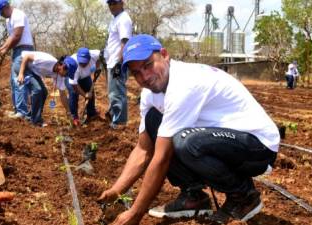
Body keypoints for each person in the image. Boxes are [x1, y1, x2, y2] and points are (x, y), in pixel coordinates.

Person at [98, 34, 280, 225]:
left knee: (185, 142)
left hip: (257, 145)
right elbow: (144, 149)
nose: (145, 77)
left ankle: (244, 196)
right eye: (136, 73)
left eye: (148, 65)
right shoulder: (149, 95)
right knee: (154, 121)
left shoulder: (184, 84)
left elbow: (161, 158)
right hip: (222, 141)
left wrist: (135, 213)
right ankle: (193, 196)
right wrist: (116, 191)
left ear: (164, 55)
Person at [0, 0, 34, 119]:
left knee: (19, 80)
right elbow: (11, 36)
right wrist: (2, 47)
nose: (1, 15)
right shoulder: (8, 19)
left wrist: (6, 50)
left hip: (24, 50)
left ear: (6, 7)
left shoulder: (18, 15)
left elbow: (17, 36)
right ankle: (17, 109)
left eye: (1, 12)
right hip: (16, 50)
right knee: (13, 82)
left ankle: (22, 112)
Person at [14, 51, 72, 127]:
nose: (66, 76)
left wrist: (68, 112)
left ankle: (31, 116)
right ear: (62, 66)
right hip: (22, 63)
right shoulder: (48, 61)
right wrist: (21, 73)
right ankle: (35, 121)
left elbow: (63, 94)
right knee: (37, 90)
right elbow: (27, 56)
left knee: (44, 92)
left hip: (33, 70)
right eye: (67, 73)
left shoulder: (59, 74)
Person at [104, 0, 132, 129]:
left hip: (117, 63)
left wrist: (119, 63)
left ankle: (119, 122)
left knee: (117, 93)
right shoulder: (115, 19)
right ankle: (113, 115)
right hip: (111, 62)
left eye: (114, 3)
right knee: (112, 92)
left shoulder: (123, 19)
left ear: (122, 3)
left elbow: (125, 42)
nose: (111, 6)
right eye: (109, 4)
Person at [65, 47, 100, 126]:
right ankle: (74, 117)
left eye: (85, 62)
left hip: (85, 76)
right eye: (81, 62)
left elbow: (101, 56)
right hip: (71, 78)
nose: (83, 64)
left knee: (90, 90)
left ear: (89, 58)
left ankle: (91, 113)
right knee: (73, 93)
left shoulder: (95, 54)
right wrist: (85, 95)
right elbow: (75, 86)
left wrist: (97, 67)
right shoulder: (73, 65)